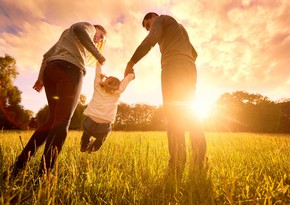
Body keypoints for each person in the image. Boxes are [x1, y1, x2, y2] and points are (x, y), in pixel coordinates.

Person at [3, 22, 107, 179]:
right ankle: (45, 173)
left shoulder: (66, 35)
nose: (98, 40)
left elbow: (46, 56)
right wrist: (98, 55)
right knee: (63, 122)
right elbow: (79, 29)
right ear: (96, 29)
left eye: (100, 40)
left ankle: (17, 167)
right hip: (70, 71)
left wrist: (40, 78)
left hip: (52, 71)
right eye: (100, 36)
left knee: (52, 121)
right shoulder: (88, 27)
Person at [124, 12, 207, 172]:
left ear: (154, 17)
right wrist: (184, 60)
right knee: (192, 115)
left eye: (149, 25)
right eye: (148, 27)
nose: (149, 29)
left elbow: (150, 40)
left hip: (172, 67)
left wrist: (131, 62)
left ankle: (177, 165)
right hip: (189, 68)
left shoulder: (161, 19)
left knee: (174, 115)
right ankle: (200, 163)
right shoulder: (180, 28)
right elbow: (194, 53)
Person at [80, 63, 134, 153]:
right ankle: (94, 147)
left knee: (86, 132)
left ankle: (84, 145)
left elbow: (97, 74)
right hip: (103, 127)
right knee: (103, 136)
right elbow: (126, 81)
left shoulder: (97, 87)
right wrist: (131, 74)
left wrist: (99, 63)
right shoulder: (117, 92)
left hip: (89, 123)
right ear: (118, 85)